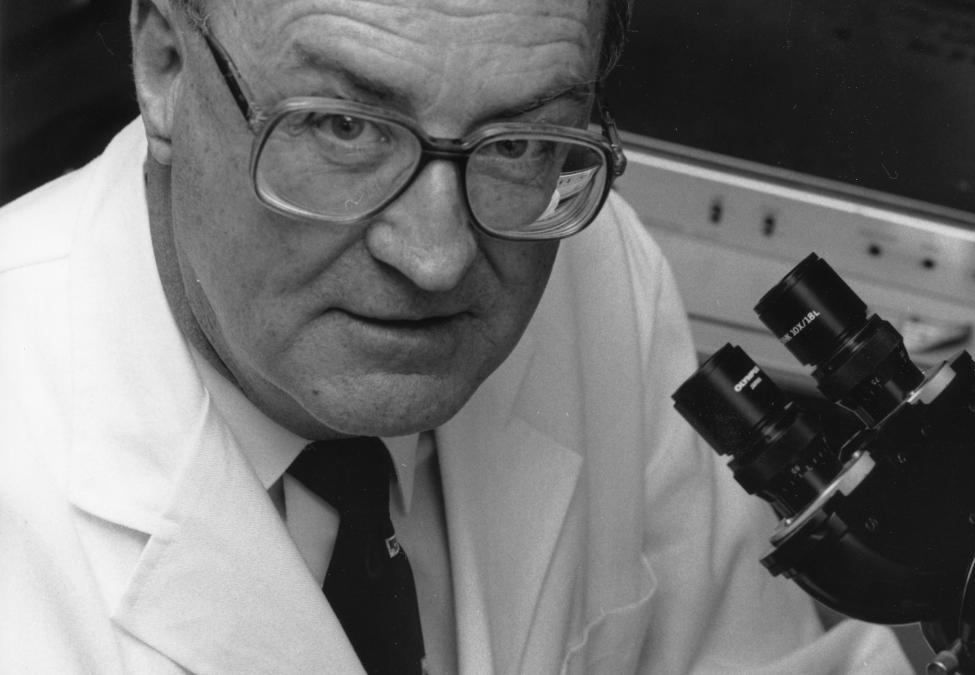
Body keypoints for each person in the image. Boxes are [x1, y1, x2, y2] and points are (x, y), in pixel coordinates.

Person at [0, 0, 911, 672]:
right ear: (164, 66)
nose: (437, 258)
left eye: (520, 142)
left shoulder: (595, 266)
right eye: (344, 126)